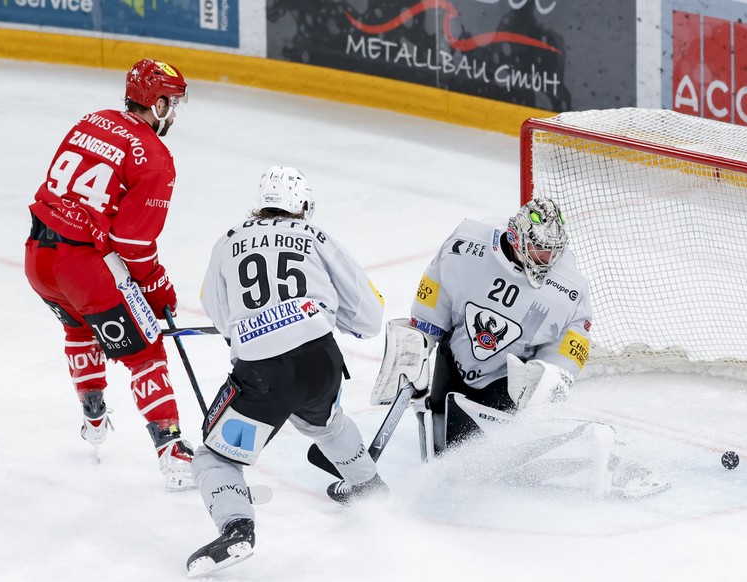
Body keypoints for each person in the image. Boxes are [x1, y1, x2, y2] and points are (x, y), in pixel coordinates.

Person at [370, 198, 667, 498]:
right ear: (516, 238)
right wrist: (420, 338)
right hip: (456, 359)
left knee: (484, 470)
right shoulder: (467, 242)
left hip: (507, 380)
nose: (548, 257)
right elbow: (436, 286)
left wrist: (550, 373)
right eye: (541, 249)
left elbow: (576, 336)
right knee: (446, 453)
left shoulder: (569, 285)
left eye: (554, 250)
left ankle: (589, 444)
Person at [186, 166, 388, 577]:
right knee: (325, 424)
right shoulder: (317, 236)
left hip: (264, 377)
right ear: (304, 207)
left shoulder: (228, 240)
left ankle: (236, 529)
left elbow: (221, 315)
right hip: (321, 363)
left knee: (215, 457)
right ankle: (368, 487)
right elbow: (368, 316)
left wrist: (253, 329)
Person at [24, 58, 195, 491]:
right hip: (83, 266)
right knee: (146, 352)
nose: (173, 113)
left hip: (37, 256)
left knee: (80, 328)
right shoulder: (155, 158)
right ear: (155, 104)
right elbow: (133, 243)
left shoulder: (93, 119)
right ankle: (173, 454)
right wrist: (157, 287)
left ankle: (94, 419)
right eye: (171, 103)